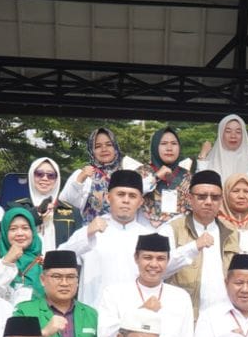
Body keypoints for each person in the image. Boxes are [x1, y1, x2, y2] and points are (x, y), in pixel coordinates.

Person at [96, 233, 195, 337]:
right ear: (136, 258)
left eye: (161, 258)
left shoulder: (180, 297)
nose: (154, 264)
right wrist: (140, 312)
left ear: (168, 261)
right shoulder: (115, 293)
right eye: (147, 257)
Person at [64, 168, 151, 306]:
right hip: (94, 312)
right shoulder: (91, 230)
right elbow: (61, 256)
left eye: (132, 196)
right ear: (108, 198)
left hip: (134, 317)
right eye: (120, 194)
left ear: (141, 202)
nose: (126, 200)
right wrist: (87, 234)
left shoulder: (149, 237)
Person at [165, 169, 237, 320]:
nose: (209, 202)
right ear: (190, 199)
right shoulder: (172, 229)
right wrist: (193, 247)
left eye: (215, 197)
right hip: (184, 315)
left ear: (221, 200)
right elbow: (160, 270)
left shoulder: (231, 232)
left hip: (223, 315)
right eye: (202, 197)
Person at [60, 126, 126, 224]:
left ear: (115, 147)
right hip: (90, 235)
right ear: (92, 150)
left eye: (108, 144)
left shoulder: (127, 173)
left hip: (122, 234)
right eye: (98, 146)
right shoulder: (84, 174)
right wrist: (80, 179)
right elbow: (65, 204)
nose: (104, 149)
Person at [8, 156, 78, 247]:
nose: (45, 178)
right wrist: (38, 212)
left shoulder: (72, 211)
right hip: (27, 261)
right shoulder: (15, 207)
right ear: (31, 176)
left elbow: (78, 245)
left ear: (57, 179)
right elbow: (5, 233)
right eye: (39, 174)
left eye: (51, 175)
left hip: (60, 261)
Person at [200, 115, 248, 198]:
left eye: (238, 132)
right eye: (228, 131)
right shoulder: (208, 162)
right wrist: (202, 156)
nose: (233, 136)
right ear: (221, 134)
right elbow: (200, 187)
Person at [139, 126, 194, 226]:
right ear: (155, 146)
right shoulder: (142, 172)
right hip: (146, 231)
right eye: (163, 144)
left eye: (174, 144)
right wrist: (156, 177)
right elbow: (131, 194)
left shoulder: (187, 176)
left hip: (177, 234)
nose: (169, 148)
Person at [0, 206, 44, 306]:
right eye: (13, 229)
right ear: (4, 232)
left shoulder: (43, 262)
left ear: (33, 231)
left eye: (25, 228)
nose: (20, 233)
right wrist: (7, 261)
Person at [218, 171, 248, 253]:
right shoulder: (215, 224)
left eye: (246, 191)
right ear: (225, 194)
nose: (241, 196)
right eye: (235, 191)